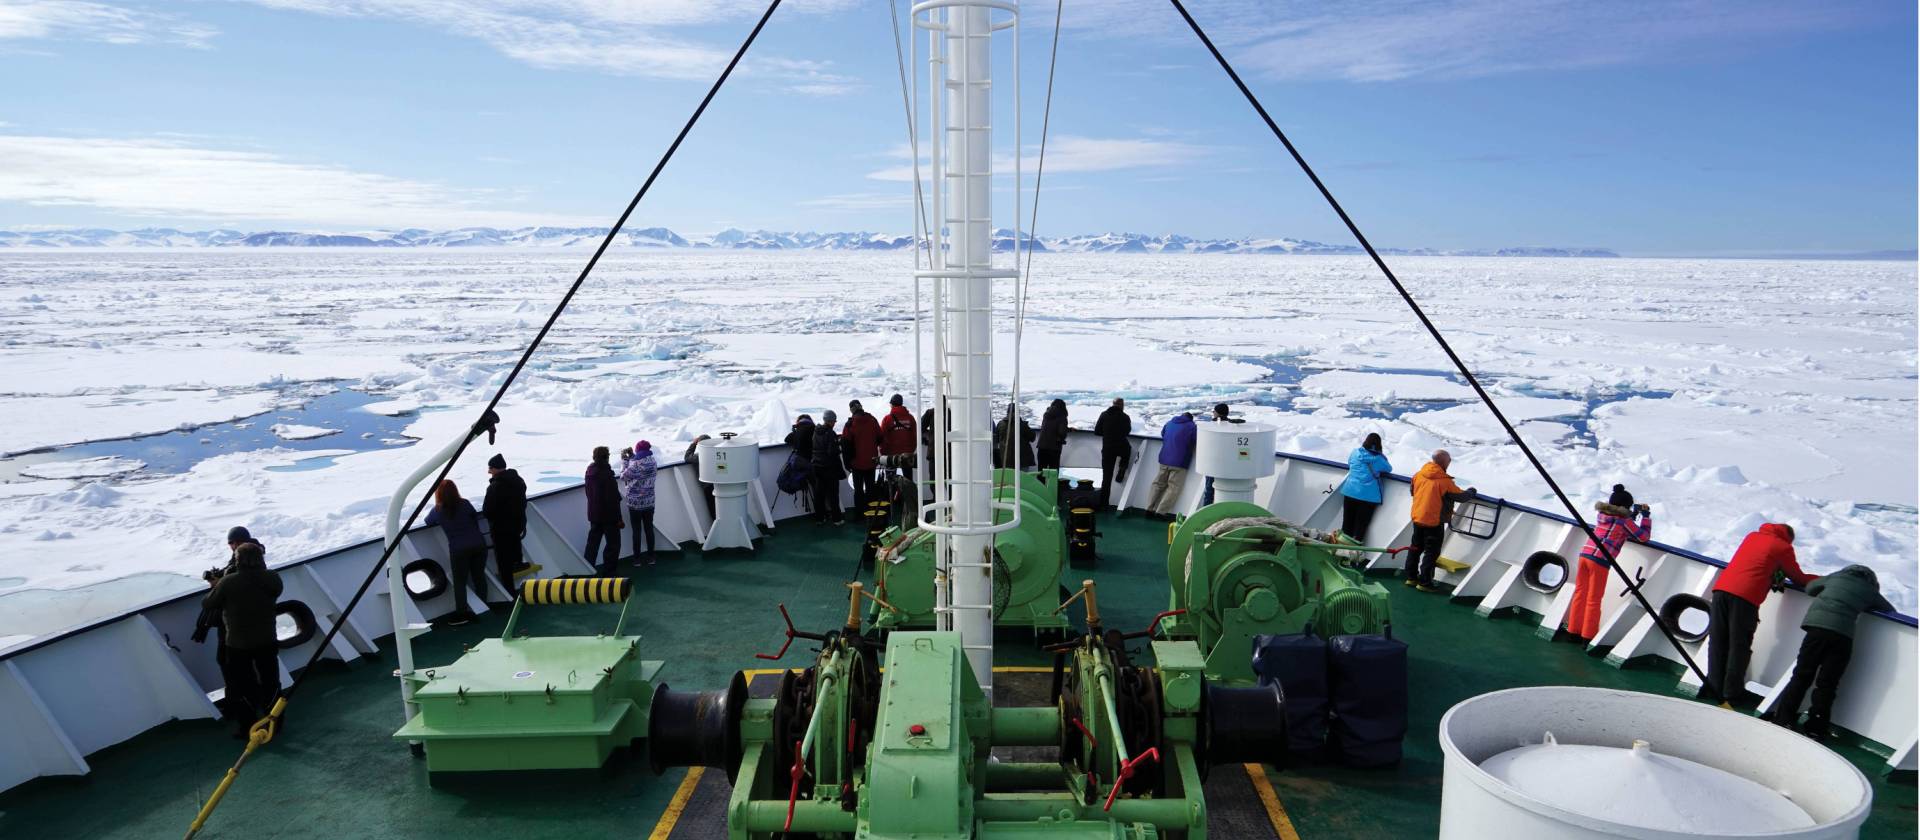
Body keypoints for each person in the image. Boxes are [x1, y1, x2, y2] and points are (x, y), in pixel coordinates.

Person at [1768, 565, 1891, 739]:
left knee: (1802, 675)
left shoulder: (1834, 577)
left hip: (1817, 630)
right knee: (1827, 683)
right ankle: (1815, 728)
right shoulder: (1869, 589)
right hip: (1842, 636)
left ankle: (1784, 719)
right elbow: (1888, 609)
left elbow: (1811, 588)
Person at [1707, 523, 1816, 705]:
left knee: (1718, 641)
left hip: (1721, 590)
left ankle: (1713, 687)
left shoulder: (1752, 536)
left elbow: (1761, 562)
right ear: (1788, 538)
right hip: (1745, 597)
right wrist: (1826, 580)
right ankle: (1732, 693)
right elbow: (1798, 577)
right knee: (1739, 646)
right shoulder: (1783, 547)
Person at [202, 541, 282, 738]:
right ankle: (276, 722)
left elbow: (208, 603)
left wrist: (217, 583)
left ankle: (248, 726)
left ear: (238, 561)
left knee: (241, 685)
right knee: (271, 681)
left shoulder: (229, 582)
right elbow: (274, 592)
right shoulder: (273, 578)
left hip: (238, 645)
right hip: (268, 639)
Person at [1564, 485, 1652, 642]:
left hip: (1584, 554)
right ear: (1625, 507)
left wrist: (1632, 515)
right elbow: (1643, 537)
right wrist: (1645, 517)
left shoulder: (1602, 515)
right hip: (1599, 560)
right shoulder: (1623, 521)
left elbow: (1619, 525)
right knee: (1594, 599)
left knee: (1580, 593)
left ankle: (1572, 631)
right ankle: (1587, 636)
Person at [1406, 450, 1472, 591]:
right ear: (1444, 462)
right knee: (1431, 552)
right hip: (1434, 522)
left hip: (1418, 518)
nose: (1449, 463)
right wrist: (1472, 492)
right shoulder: (1444, 482)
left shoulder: (1418, 475)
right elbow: (1461, 497)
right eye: (1449, 461)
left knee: (1415, 548)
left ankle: (1411, 577)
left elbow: (1413, 491)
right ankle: (1425, 583)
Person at [426, 479, 491, 618]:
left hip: (459, 549)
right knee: (479, 577)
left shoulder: (438, 510)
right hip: (478, 544)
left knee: (460, 582)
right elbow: (473, 516)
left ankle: (461, 612)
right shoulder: (465, 503)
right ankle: (483, 605)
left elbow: (428, 521)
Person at [482, 453, 529, 593]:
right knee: (515, 546)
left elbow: (487, 510)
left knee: (503, 560)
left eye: (490, 468)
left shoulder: (495, 487)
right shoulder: (518, 480)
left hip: (501, 528)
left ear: (496, 469)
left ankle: (509, 590)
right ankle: (518, 563)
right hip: (517, 523)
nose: (489, 471)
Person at [1338, 433, 1393, 543]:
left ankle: (1340, 549)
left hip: (1350, 492)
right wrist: (1381, 455)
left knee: (1347, 523)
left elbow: (1350, 463)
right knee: (1360, 526)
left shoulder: (1355, 452)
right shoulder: (1377, 459)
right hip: (1367, 497)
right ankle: (1352, 554)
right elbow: (1388, 468)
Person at [583, 446, 624, 576]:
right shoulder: (607, 475)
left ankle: (587, 571)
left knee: (592, 545)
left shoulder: (589, 473)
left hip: (594, 515)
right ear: (607, 457)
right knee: (613, 545)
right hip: (609, 517)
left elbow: (588, 493)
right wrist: (619, 519)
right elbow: (612, 499)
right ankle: (609, 572)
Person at [1147, 412, 1196, 516]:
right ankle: (1160, 512)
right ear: (1191, 419)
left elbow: (1163, 434)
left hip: (1164, 459)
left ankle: (1149, 509)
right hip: (1179, 462)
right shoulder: (1192, 426)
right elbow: (1195, 440)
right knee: (1173, 488)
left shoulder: (1169, 423)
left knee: (1158, 484)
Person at [620, 441, 659, 566]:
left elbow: (623, 476)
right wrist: (632, 459)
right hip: (649, 502)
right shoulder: (653, 462)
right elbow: (639, 465)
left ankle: (637, 559)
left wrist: (625, 461)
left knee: (636, 530)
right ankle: (651, 557)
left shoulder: (635, 464)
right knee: (649, 529)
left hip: (635, 504)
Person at [1200, 402, 1245, 505]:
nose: (1213, 413)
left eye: (1214, 411)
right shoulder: (1233, 426)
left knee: (1209, 490)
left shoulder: (1210, 426)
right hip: (1228, 464)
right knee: (1226, 490)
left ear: (1218, 413)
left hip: (1212, 463)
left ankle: (1206, 513)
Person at [1093, 398, 1132, 509]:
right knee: (1127, 450)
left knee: (1107, 477)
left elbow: (1097, 431)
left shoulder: (1104, 415)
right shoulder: (1125, 417)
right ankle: (1122, 467)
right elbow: (1127, 431)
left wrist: (1107, 434)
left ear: (1113, 404)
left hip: (1108, 449)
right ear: (1122, 405)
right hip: (1121, 446)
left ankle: (1104, 503)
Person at [842, 399, 883, 506]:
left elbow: (845, 445)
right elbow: (880, 438)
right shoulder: (872, 420)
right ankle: (872, 513)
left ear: (852, 410)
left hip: (856, 463)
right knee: (870, 488)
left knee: (858, 490)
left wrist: (847, 464)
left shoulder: (850, 424)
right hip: (871, 461)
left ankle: (860, 514)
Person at [811, 410, 847, 524]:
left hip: (817, 466)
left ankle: (820, 518)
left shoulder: (816, 432)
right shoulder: (830, 433)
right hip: (829, 468)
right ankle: (837, 519)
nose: (834, 423)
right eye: (834, 421)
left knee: (819, 494)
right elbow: (832, 452)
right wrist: (839, 447)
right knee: (833, 494)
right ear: (830, 421)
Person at [879, 394, 918, 480]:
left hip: (891, 455)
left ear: (892, 404)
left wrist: (883, 453)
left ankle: (892, 493)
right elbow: (915, 435)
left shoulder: (887, 419)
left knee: (890, 481)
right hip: (907, 454)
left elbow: (881, 437)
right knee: (908, 480)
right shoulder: (910, 418)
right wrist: (911, 451)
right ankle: (908, 493)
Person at [994, 404, 1037, 470]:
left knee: (1009, 479)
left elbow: (997, 440)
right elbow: (1032, 437)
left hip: (1006, 461)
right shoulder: (1022, 425)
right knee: (1022, 479)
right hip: (1022, 461)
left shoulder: (1000, 424)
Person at [684, 435, 715, 521]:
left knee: (713, 508)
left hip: (707, 486)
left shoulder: (698, 457)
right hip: (718, 483)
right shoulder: (716, 454)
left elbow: (687, 457)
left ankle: (718, 526)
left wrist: (694, 444)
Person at [1036, 399, 1069, 472]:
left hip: (1042, 446)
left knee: (1041, 471)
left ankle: (1040, 483)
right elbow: (1062, 432)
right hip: (1054, 448)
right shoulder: (1062, 416)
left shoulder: (1046, 415)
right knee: (1053, 472)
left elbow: (1050, 427)